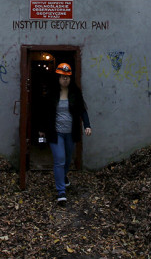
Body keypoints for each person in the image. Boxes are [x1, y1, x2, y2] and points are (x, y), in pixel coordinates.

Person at [38, 63, 91, 204]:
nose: (65, 79)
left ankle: (63, 176)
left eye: (67, 77)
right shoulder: (51, 94)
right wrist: (42, 130)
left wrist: (87, 125)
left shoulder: (75, 93)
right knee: (59, 159)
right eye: (62, 77)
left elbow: (82, 110)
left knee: (67, 159)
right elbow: (45, 113)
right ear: (58, 78)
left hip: (70, 133)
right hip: (56, 133)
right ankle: (61, 192)